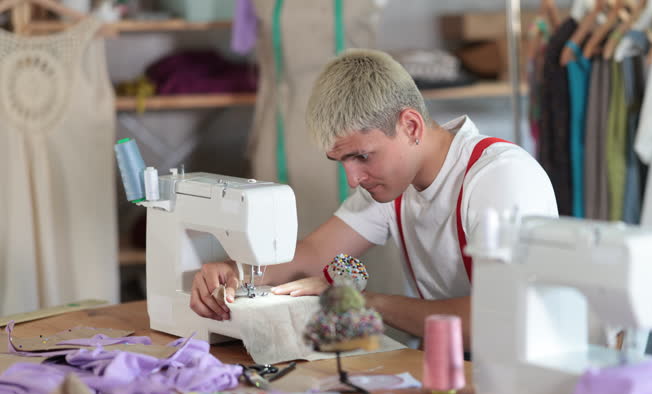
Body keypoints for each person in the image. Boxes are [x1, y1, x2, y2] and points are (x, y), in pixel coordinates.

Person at [190, 49, 557, 350]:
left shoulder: (499, 180)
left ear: (410, 126)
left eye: (362, 156)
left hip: (532, 373)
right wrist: (235, 270)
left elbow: (499, 319)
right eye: (342, 161)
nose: (353, 178)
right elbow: (314, 255)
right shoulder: (392, 184)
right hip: (462, 363)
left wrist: (363, 303)